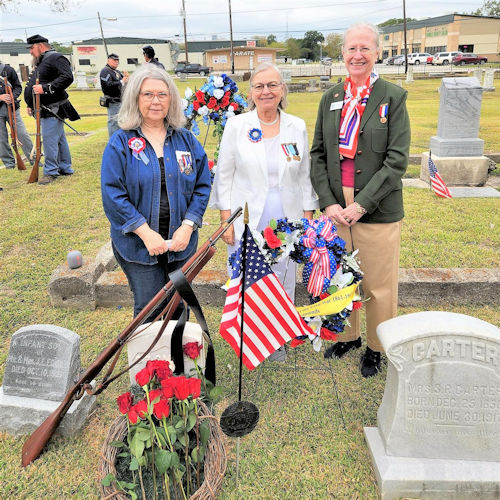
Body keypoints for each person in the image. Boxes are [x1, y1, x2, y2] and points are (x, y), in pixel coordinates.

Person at [310, 23, 410, 377]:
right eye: (352, 48)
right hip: (337, 205)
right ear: (342, 54)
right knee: (341, 276)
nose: (357, 55)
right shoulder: (331, 97)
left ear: (377, 53)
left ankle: (377, 345)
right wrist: (328, 202)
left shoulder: (392, 97)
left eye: (365, 48)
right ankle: (348, 335)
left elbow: (396, 161)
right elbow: (319, 154)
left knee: (378, 284)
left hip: (376, 205)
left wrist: (361, 204)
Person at [210, 62, 319, 359]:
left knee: (283, 276)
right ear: (251, 92)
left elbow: (304, 174)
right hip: (247, 216)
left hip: (287, 215)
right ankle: (248, 335)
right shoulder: (237, 125)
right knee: (247, 276)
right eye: (259, 86)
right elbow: (224, 174)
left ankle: (279, 336)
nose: (266, 91)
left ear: (282, 89)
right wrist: (225, 219)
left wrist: (308, 218)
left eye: (272, 85)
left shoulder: (296, 125)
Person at [101, 64, 211, 321]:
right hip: (138, 245)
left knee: (179, 306)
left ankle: (180, 359)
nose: (155, 101)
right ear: (135, 98)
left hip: (181, 242)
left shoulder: (186, 140)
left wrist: (187, 226)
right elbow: (113, 194)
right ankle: (150, 361)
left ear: (171, 99)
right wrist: (146, 233)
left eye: (162, 94)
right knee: (149, 309)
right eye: (147, 94)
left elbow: (202, 184)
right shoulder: (121, 143)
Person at [24, 34, 80, 185]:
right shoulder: (43, 60)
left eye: (31, 48)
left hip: (53, 108)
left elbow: (67, 77)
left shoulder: (55, 57)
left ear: (40, 46)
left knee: (49, 140)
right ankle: (65, 167)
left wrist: (46, 88)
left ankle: (50, 171)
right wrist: (30, 104)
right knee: (59, 139)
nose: (30, 52)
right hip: (45, 107)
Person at [0, 61, 35, 170]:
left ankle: (33, 159)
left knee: (22, 134)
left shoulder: (7, 70)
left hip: (12, 108)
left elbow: (18, 87)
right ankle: (9, 164)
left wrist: (12, 97)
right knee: (1, 139)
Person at [100, 53, 128, 137]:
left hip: (120, 100)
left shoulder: (117, 72)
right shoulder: (105, 71)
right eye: (114, 60)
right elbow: (107, 85)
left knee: (121, 121)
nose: (116, 62)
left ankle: (119, 139)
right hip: (112, 100)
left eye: (117, 60)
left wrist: (126, 79)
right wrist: (122, 81)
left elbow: (123, 83)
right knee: (113, 122)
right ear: (108, 60)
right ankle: (113, 141)